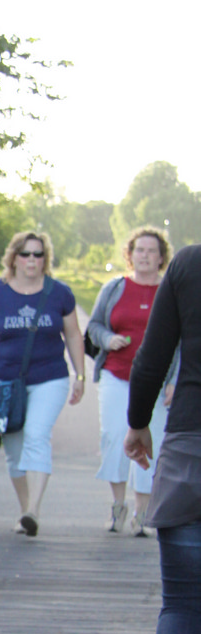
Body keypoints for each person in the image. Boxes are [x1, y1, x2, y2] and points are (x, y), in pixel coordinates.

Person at [124, 242, 201, 634]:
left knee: (181, 602)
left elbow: (152, 356)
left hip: (189, 448)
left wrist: (138, 422)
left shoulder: (189, 264)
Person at [0, 230, 85, 536]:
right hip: (6, 383)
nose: (32, 260)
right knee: (14, 450)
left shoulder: (59, 293)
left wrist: (80, 375)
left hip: (49, 377)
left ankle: (33, 509)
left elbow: (73, 334)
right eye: (26, 254)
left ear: (45, 259)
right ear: (14, 258)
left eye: (39, 254)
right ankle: (26, 511)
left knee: (36, 434)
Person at [87, 226, 176, 535]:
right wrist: (107, 339)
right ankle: (117, 506)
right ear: (130, 254)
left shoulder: (170, 291)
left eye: (152, 251)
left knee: (153, 441)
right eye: (140, 250)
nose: (145, 256)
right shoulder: (114, 288)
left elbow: (182, 339)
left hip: (157, 382)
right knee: (113, 436)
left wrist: (174, 379)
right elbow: (94, 326)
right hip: (116, 374)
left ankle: (142, 511)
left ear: (161, 257)